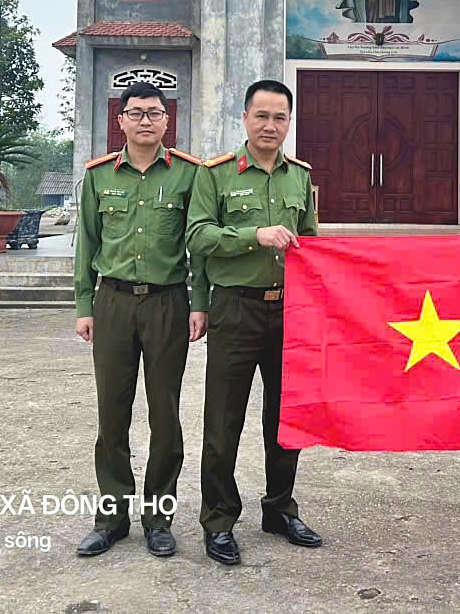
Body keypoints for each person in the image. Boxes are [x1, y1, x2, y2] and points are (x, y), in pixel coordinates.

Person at [187, 79, 322, 566]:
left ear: (289, 122)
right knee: (224, 419)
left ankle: (280, 509)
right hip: (235, 308)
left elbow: (311, 244)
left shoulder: (299, 177)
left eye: (279, 117)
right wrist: (254, 235)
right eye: (261, 116)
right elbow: (198, 236)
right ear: (244, 118)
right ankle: (219, 519)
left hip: (289, 310)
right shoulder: (216, 174)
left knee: (286, 418)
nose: (270, 125)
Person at [72, 81, 207, 560]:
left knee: (165, 416)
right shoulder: (98, 176)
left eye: (154, 112)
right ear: (121, 120)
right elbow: (87, 244)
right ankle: (111, 518)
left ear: (167, 120)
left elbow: (198, 245)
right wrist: (84, 305)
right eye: (136, 113)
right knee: (112, 414)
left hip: (167, 303)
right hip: (113, 303)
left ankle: (158, 518)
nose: (145, 120)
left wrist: (199, 302)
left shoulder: (190, 175)